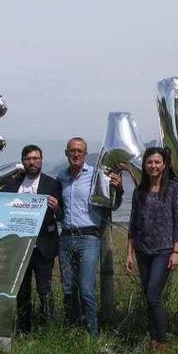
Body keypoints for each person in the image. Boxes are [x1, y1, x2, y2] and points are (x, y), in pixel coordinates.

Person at [56, 137, 123, 337]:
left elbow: (112, 204)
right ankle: (73, 330)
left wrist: (119, 189)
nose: (76, 154)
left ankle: (92, 335)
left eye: (80, 151)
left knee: (86, 290)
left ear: (85, 154)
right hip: (66, 237)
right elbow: (59, 208)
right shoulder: (61, 177)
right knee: (68, 289)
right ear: (66, 153)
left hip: (89, 239)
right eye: (72, 150)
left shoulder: (96, 175)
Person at [124, 147, 178, 353]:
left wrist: (176, 252)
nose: (153, 166)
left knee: (153, 294)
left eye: (157, 162)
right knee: (148, 297)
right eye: (149, 162)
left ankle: (162, 342)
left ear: (164, 164)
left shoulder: (174, 189)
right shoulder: (139, 191)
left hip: (164, 250)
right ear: (144, 165)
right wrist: (129, 253)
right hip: (142, 250)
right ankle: (153, 340)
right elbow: (133, 224)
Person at [0, 144, 62, 333]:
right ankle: (23, 330)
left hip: (43, 247)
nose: (32, 162)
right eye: (28, 159)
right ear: (23, 161)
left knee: (45, 290)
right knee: (22, 291)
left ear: (41, 160)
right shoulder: (13, 185)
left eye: (36, 158)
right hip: (19, 247)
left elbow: (63, 214)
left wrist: (57, 207)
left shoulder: (52, 184)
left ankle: (48, 329)